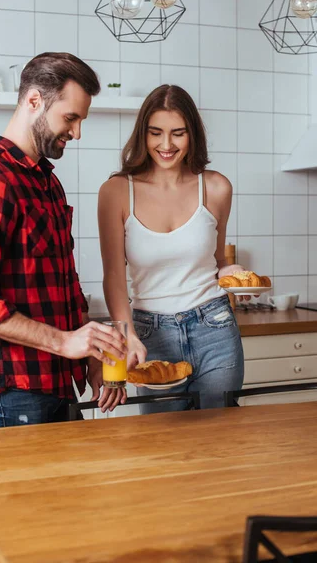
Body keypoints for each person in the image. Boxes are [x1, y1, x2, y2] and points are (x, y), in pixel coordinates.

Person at [0, 53, 127, 563]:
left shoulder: (43, 180)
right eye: (70, 117)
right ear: (33, 100)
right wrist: (66, 342)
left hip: (51, 382)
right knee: (15, 536)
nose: (76, 131)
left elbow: (63, 283)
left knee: (54, 530)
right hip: (10, 392)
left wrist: (89, 354)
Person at [98, 84, 245, 415]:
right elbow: (113, 275)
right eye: (155, 133)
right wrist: (129, 334)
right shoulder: (117, 192)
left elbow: (218, 261)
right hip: (151, 335)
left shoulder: (217, 187)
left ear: (192, 134)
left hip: (215, 328)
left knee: (221, 440)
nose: (166, 145)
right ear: (143, 135)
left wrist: (232, 274)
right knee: (163, 445)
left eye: (177, 134)